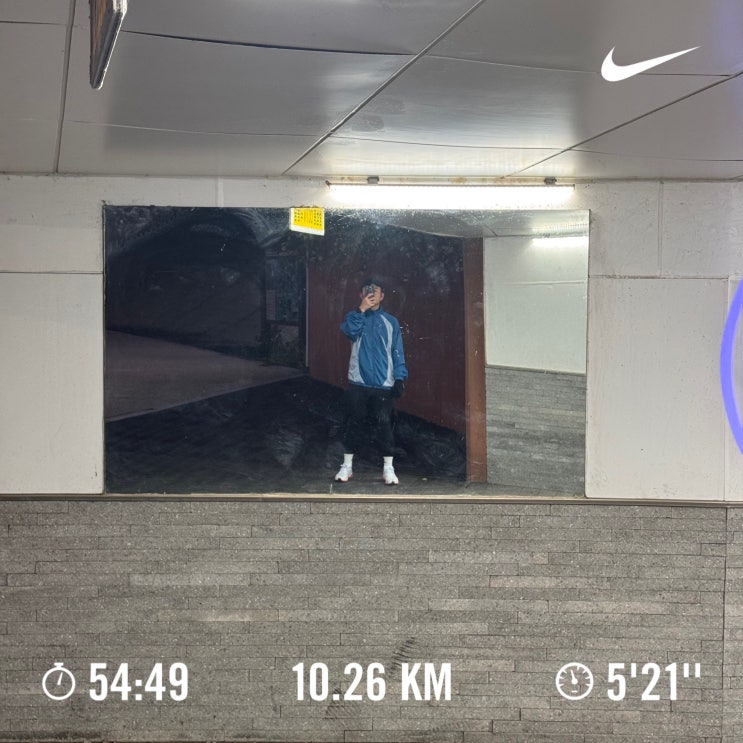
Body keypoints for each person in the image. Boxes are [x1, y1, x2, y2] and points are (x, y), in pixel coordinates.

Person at [335, 278, 408, 485]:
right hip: (358, 382)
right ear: (361, 295)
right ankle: (347, 466)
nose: (371, 294)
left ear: (382, 296)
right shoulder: (354, 317)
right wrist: (361, 309)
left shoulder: (391, 322)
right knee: (353, 424)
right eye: (367, 290)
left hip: (384, 384)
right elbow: (350, 331)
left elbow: (397, 351)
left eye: (375, 291)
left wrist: (400, 378)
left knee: (384, 425)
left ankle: (388, 468)